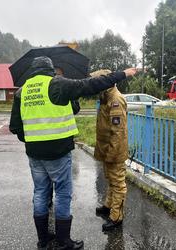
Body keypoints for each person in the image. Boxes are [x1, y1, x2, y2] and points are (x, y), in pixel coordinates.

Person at [9, 56, 138, 250]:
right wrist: (122, 74)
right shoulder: (57, 84)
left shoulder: (22, 91)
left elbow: (15, 126)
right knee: (62, 194)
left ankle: (43, 240)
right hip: (58, 152)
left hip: (34, 154)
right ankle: (63, 241)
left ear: (31, 70)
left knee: (40, 193)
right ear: (51, 69)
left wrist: (32, 140)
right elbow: (91, 84)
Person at [92, 70, 128, 231]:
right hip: (107, 148)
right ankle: (108, 206)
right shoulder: (106, 98)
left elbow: (118, 131)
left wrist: (112, 154)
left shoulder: (115, 100)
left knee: (118, 182)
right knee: (110, 179)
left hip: (114, 150)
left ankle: (116, 217)